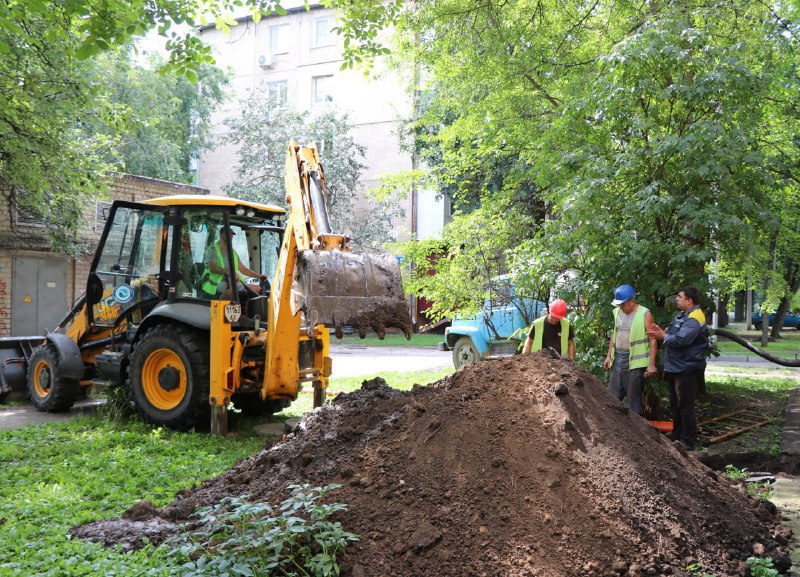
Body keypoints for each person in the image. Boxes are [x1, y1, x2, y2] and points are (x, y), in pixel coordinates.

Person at [646, 286, 708, 450]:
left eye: (680, 297)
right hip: (676, 367)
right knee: (675, 404)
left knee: (685, 406)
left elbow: (681, 340)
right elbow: (671, 334)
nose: (677, 299)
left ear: (689, 300)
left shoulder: (695, 318)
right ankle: (677, 435)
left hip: (687, 368)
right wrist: (662, 333)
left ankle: (687, 441)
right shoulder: (682, 316)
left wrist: (663, 336)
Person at [603, 284, 657, 415]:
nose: (620, 307)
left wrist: (651, 365)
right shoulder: (617, 312)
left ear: (632, 302)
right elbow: (614, 335)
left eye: (623, 304)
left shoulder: (644, 313)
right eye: (619, 305)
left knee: (633, 399)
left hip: (635, 363)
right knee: (612, 396)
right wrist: (609, 356)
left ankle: (635, 431)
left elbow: (653, 339)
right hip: (618, 360)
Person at [200, 226, 267, 300]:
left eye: (232, 234)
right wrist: (229, 272)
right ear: (221, 234)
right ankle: (220, 308)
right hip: (218, 283)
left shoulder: (233, 252)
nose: (231, 236)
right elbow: (212, 268)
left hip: (235, 282)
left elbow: (243, 269)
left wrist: (260, 276)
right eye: (228, 234)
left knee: (257, 288)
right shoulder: (212, 249)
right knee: (231, 290)